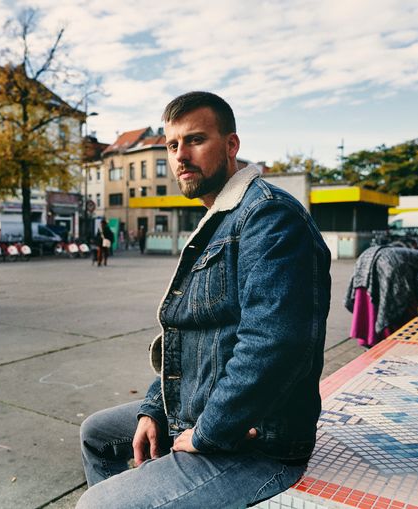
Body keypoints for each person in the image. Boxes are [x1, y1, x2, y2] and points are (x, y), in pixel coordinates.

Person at [77, 91, 331, 508]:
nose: (180, 156)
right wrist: (151, 408)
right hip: (198, 409)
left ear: (231, 145)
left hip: (257, 442)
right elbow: (187, 338)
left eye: (195, 140)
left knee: (97, 506)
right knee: (98, 434)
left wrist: (209, 432)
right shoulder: (220, 219)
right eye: (173, 145)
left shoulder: (268, 217)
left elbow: (273, 344)